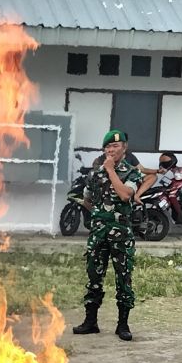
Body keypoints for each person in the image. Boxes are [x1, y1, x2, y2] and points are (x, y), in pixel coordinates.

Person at [73, 130, 143, 341]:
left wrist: (111, 170)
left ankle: (122, 324)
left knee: (123, 279)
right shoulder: (94, 174)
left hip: (121, 235)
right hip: (98, 234)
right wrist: (98, 214)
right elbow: (87, 199)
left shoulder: (132, 173)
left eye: (116, 146)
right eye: (108, 147)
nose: (111, 150)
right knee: (94, 277)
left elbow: (124, 194)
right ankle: (90, 321)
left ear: (125, 148)